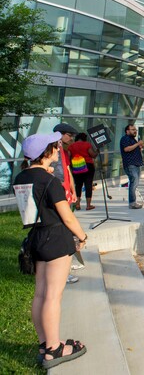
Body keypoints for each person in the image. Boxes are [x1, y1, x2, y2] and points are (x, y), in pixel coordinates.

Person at [13, 132, 88, 369]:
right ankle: (54, 349)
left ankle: (45, 344)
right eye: (54, 147)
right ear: (46, 153)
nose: (58, 149)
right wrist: (82, 236)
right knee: (53, 296)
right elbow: (67, 216)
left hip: (36, 237)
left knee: (41, 294)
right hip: (55, 238)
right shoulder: (50, 181)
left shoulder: (21, 177)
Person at [67, 133, 97, 211]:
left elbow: (68, 157)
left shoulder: (71, 146)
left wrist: (71, 166)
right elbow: (93, 155)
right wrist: (97, 152)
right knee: (88, 185)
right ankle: (88, 205)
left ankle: (77, 204)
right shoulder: (87, 144)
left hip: (76, 166)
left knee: (78, 185)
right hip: (88, 166)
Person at [51, 123, 78, 207]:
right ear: (59, 134)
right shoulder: (50, 151)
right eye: (69, 135)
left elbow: (68, 172)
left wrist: (73, 191)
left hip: (65, 189)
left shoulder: (64, 152)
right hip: (54, 188)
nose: (71, 138)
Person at [120, 124, 144, 209]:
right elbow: (127, 149)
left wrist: (140, 147)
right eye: (133, 129)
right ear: (127, 131)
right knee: (134, 182)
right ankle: (132, 202)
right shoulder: (125, 138)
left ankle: (133, 201)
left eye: (135, 130)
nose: (135, 131)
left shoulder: (133, 139)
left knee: (135, 182)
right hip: (130, 164)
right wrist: (138, 144)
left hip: (137, 163)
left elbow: (134, 149)